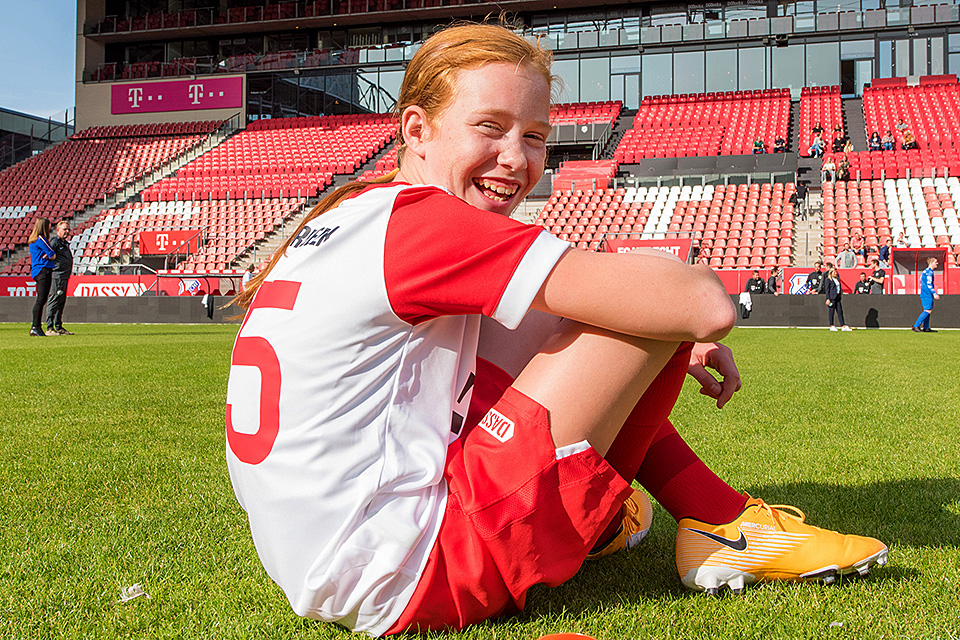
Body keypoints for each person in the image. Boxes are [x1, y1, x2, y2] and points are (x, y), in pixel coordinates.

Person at [224, 24, 888, 635]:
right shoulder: (427, 223)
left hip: (325, 560)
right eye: (489, 126)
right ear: (417, 130)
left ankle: (653, 519)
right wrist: (669, 337)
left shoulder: (360, 216)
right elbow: (702, 304)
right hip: (418, 570)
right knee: (652, 299)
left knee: (612, 315)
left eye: (535, 136)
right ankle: (721, 520)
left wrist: (655, 353)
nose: (515, 158)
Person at [45, 220, 74, 335]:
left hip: (64, 276)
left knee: (61, 301)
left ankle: (58, 326)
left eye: (68, 229)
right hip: (57, 276)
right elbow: (47, 255)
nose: (67, 231)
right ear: (58, 230)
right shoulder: (55, 242)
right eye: (64, 229)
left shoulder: (64, 243)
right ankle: (49, 327)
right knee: (54, 300)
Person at [28, 218, 56, 337]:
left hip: (37, 270)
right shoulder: (41, 239)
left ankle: (36, 326)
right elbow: (52, 254)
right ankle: (36, 326)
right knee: (41, 300)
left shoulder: (32, 240)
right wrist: (49, 255)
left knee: (41, 299)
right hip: (43, 270)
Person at [912, 256, 940, 332]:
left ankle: (926, 327)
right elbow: (929, 284)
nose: (937, 263)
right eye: (935, 262)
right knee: (928, 310)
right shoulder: (929, 272)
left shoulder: (926, 271)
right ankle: (916, 326)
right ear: (931, 263)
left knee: (928, 310)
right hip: (926, 294)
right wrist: (934, 293)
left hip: (926, 293)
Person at [824, 267, 852, 331]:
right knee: (831, 312)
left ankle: (843, 325)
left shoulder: (837, 279)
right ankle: (831, 325)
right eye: (834, 272)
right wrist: (828, 298)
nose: (835, 273)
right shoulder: (828, 280)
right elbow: (827, 290)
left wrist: (842, 293)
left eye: (836, 272)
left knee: (840, 311)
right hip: (832, 297)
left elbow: (839, 288)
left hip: (838, 297)